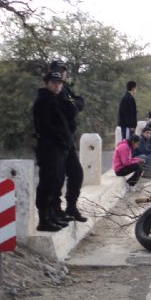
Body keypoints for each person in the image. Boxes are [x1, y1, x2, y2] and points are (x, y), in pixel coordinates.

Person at [33, 71, 74, 232]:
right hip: (49, 148)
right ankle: (44, 220)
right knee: (47, 184)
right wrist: (61, 139)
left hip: (58, 149)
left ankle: (53, 215)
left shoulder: (55, 100)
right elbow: (45, 127)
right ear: (47, 83)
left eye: (59, 83)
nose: (57, 85)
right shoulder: (43, 101)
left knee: (56, 182)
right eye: (54, 82)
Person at [48, 60, 87, 223]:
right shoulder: (52, 92)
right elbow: (71, 108)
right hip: (55, 141)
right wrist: (73, 104)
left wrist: (74, 103)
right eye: (59, 70)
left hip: (68, 140)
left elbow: (80, 102)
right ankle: (54, 211)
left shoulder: (65, 89)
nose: (62, 73)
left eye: (64, 70)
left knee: (76, 174)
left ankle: (71, 207)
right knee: (57, 177)